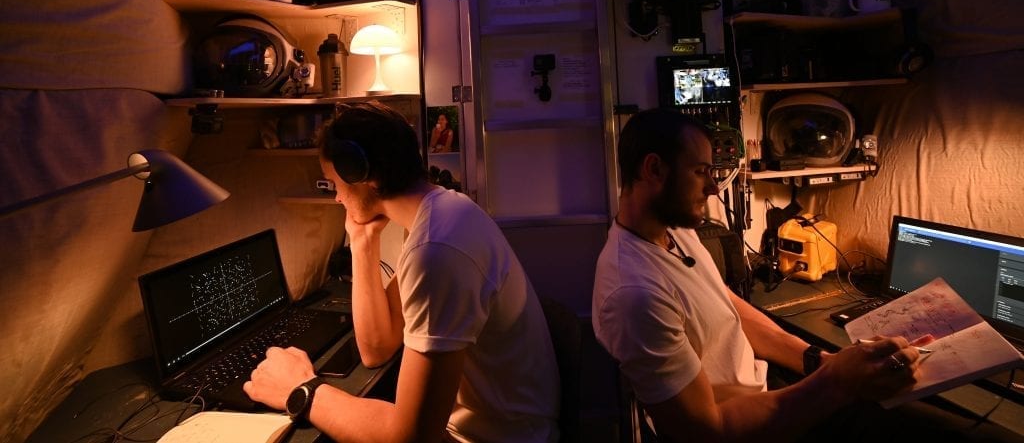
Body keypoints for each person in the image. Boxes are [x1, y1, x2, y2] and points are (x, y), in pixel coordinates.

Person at [592, 108, 1021, 443]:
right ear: (654, 170)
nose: (712, 187)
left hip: (773, 388)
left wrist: (816, 359)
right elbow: (710, 433)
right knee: (975, 437)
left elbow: (727, 305)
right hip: (754, 426)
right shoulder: (636, 295)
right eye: (702, 171)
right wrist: (835, 382)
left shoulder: (671, 235)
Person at [244, 101, 559, 443]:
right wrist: (362, 241)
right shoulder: (445, 212)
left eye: (334, 183)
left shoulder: (437, 250)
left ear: (364, 176)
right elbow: (377, 347)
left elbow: (410, 437)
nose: (336, 198)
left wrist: (301, 389)